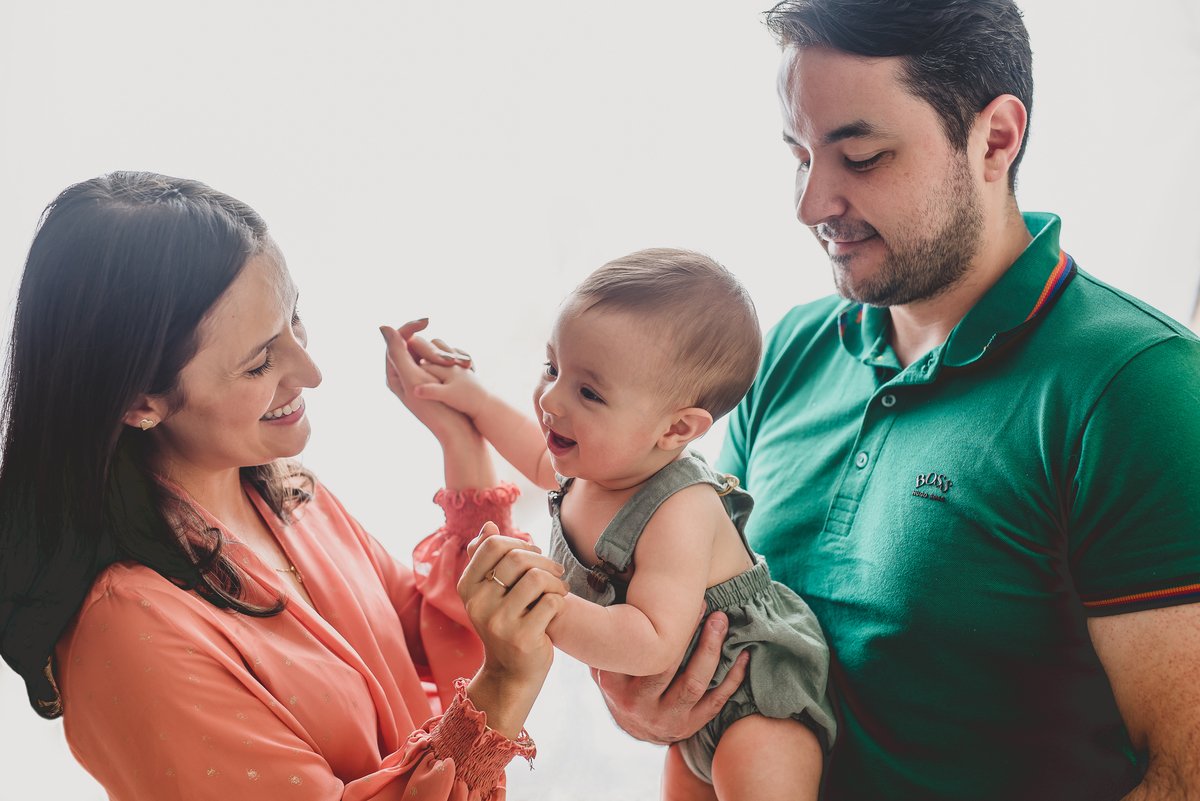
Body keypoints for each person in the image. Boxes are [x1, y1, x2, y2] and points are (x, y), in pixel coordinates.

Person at [591, 2, 1200, 800]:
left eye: (863, 156)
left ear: (996, 138)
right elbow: (696, 625)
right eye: (800, 155)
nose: (811, 204)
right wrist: (650, 699)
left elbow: (1185, 772)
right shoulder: (786, 352)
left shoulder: (1141, 386)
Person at [0, 171, 570, 800]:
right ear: (141, 401)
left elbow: (442, 645)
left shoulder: (289, 494)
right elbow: (486, 679)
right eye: (260, 362)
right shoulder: (132, 631)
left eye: (294, 320)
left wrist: (461, 443)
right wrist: (507, 687)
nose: (313, 372)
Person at [408, 249, 836, 799]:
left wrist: (542, 608)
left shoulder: (681, 507)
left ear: (677, 428)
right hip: (688, 711)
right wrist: (471, 399)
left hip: (754, 694)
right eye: (551, 367)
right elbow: (535, 457)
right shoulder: (590, 464)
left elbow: (655, 641)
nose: (551, 400)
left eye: (589, 392)